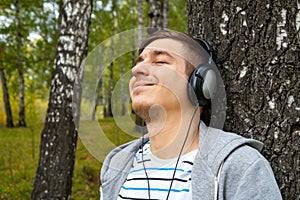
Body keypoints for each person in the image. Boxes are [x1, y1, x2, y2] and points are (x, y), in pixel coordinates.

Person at [100, 29, 282, 200]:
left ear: (200, 83)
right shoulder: (116, 164)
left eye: (160, 62)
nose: (136, 70)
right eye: (139, 63)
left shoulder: (239, 166)